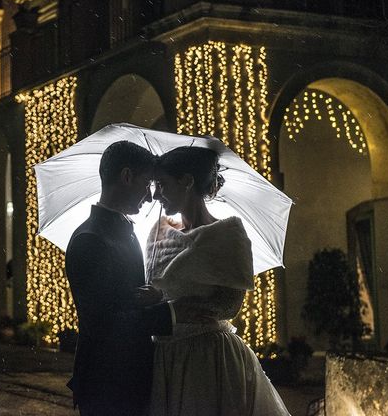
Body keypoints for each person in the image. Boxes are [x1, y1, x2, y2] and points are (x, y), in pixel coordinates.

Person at [144, 146, 291, 415]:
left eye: (163, 184)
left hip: (208, 357)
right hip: (164, 356)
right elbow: (155, 291)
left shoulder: (227, 235)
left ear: (187, 181)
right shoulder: (159, 236)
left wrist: (176, 308)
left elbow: (229, 306)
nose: (156, 194)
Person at [65, 141, 206, 416]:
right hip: (107, 384)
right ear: (126, 177)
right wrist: (173, 313)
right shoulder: (89, 240)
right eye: (148, 183)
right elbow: (107, 322)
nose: (152, 196)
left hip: (132, 379)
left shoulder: (125, 232)